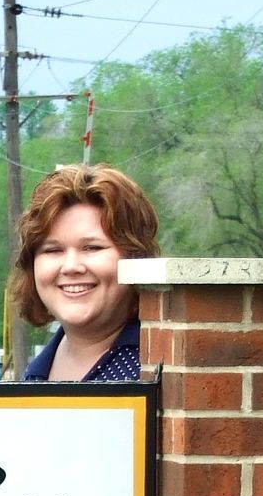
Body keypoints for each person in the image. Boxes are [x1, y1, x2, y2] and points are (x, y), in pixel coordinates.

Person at [12, 164, 158, 384]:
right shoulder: (35, 371)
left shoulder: (159, 370)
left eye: (92, 248)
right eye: (53, 250)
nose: (71, 266)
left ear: (135, 256)